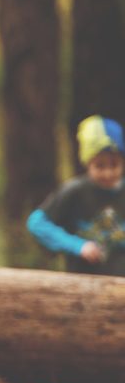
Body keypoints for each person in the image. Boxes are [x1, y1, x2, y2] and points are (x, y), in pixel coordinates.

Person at [28, 115, 125, 276]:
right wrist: (77, 246)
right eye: (100, 166)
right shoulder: (74, 191)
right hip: (81, 284)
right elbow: (36, 223)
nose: (108, 173)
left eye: (114, 165)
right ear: (87, 163)